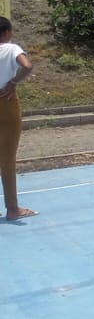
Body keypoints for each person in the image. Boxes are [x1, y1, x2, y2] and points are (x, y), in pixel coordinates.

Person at [0, 16, 36, 221]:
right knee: (7, 158)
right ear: (6, 32)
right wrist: (13, 82)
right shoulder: (11, 49)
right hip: (6, 102)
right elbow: (27, 66)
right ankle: (12, 208)